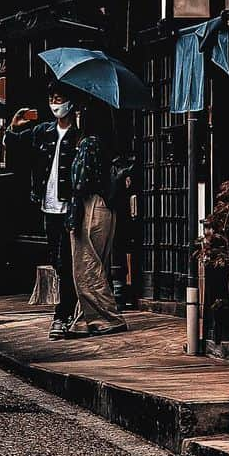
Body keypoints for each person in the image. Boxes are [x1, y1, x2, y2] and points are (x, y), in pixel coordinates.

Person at [6, 85, 83, 340]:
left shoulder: (81, 135)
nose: (54, 104)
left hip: (73, 206)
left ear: (71, 102)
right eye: (51, 99)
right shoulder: (44, 131)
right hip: (48, 204)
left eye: (59, 99)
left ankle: (63, 314)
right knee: (58, 260)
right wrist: (14, 127)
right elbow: (16, 145)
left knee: (69, 261)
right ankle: (68, 310)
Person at [66, 119, 128, 337]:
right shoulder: (108, 144)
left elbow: (80, 184)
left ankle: (108, 317)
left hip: (90, 206)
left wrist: (72, 216)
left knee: (86, 265)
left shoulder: (88, 144)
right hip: (106, 208)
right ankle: (85, 320)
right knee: (96, 264)